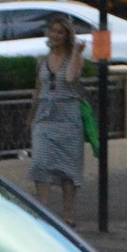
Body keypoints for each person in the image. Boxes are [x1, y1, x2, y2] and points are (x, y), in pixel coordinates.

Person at [28, 15, 87, 220]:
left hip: (68, 118)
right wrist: (31, 117)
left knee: (68, 169)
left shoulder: (75, 58)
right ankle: (43, 210)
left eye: (60, 32)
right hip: (45, 116)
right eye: (53, 31)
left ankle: (67, 215)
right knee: (40, 163)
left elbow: (71, 77)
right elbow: (38, 90)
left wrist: (75, 54)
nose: (55, 35)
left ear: (67, 36)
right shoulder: (42, 61)